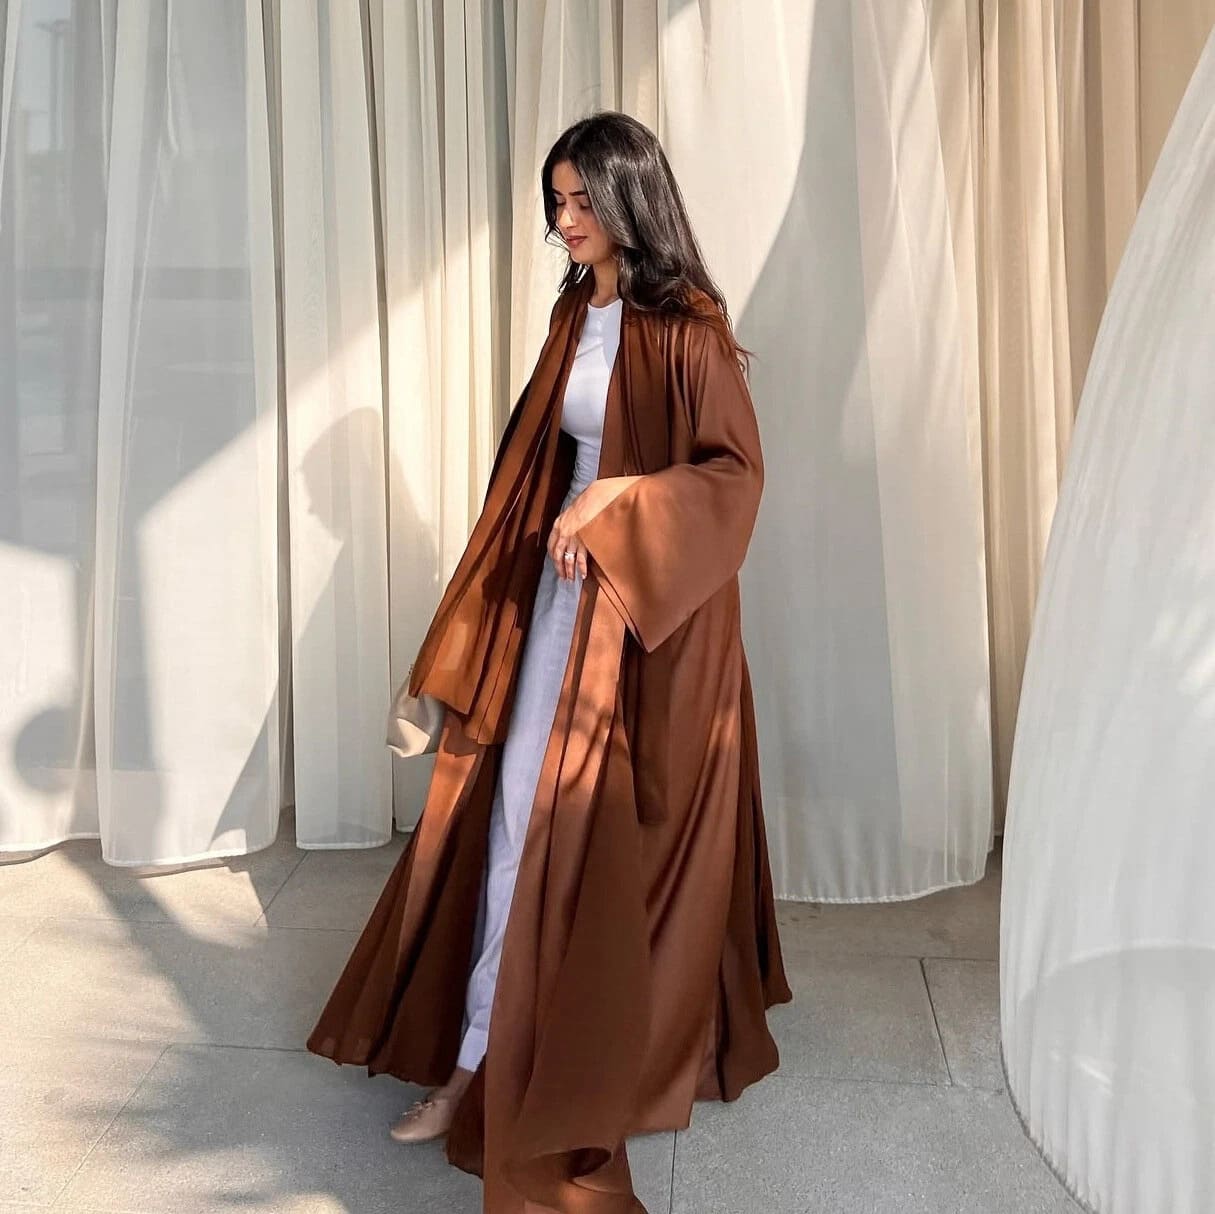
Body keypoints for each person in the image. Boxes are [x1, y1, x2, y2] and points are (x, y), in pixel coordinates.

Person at [307, 110, 791, 1214]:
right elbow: (534, 467)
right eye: (557, 202)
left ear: (628, 200)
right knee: (509, 821)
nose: (565, 220)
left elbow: (732, 478)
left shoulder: (690, 329)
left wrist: (621, 497)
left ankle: (523, 1063)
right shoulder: (578, 309)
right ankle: (477, 1054)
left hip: (643, 623)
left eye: (581, 201)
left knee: (576, 837)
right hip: (558, 596)